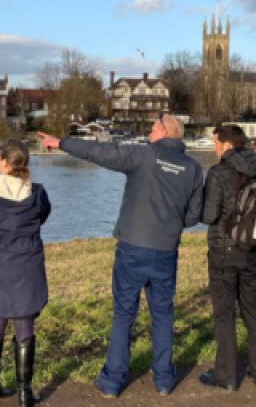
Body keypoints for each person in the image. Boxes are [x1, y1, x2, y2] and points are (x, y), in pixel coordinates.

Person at [39, 116, 203, 398]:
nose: (149, 132)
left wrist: (61, 142)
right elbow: (193, 216)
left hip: (133, 247)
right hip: (165, 249)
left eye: (152, 128)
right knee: (162, 314)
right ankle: (164, 380)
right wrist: (170, 223)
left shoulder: (144, 155)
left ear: (164, 131)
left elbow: (99, 152)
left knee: (124, 313)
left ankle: (113, 381)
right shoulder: (193, 168)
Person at [0, 138, 51, 407]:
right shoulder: (37, 193)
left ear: (5, 163)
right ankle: (24, 392)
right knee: (24, 323)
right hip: (25, 262)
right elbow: (43, 216)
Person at [198, 125, 256, 393]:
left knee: (224, 314)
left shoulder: (218, 172)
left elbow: (208, 216)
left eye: (216, 142)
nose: (214, 147)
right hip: (253, 250)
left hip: (223, 253)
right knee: (255, 311)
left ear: (226, 144)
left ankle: (226, 378)